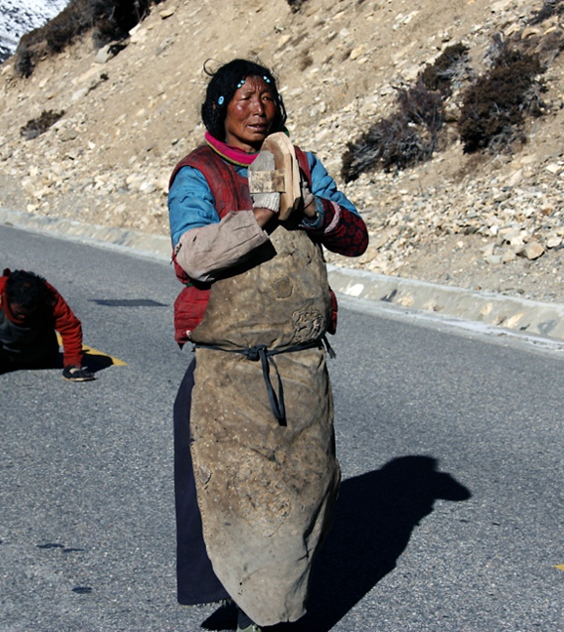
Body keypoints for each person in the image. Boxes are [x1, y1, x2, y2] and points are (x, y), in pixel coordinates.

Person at [168, 59, 368, 631]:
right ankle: (246, 604)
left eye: (267, 97)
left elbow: (356, 235)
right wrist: (260, 213)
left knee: (308, 487)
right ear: (219, 107)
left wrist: (312, 208)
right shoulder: (198, 173)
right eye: (244, 97)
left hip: (301, 364)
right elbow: (191, 259)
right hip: (231, 367)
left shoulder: (302, 165)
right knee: (227, 490)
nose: (258, 108)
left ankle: (271, 600)